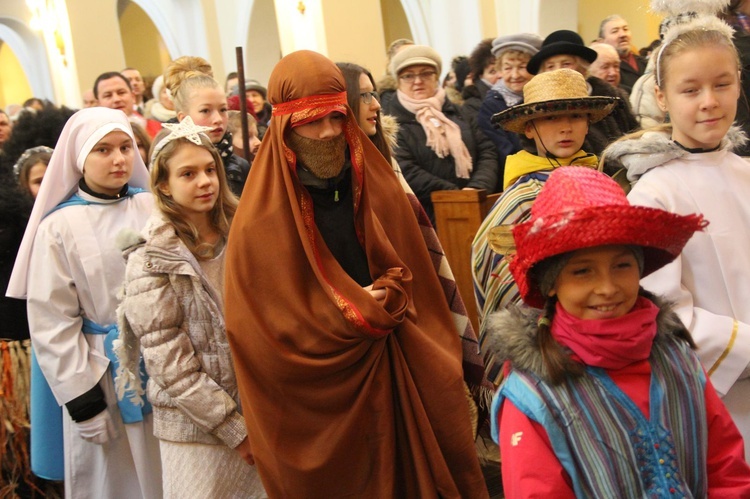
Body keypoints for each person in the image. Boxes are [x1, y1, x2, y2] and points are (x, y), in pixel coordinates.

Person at [224, 50, 488, 497]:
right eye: (311, 122)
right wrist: (346, 311)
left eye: (334, 117)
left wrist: (391, 291)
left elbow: (421, 281)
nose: (327, 133)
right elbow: (258, 331)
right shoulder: (258, 220)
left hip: (400, 361)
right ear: (284, 125)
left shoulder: (380, 186)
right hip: (324, 396)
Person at [484, 166, 750, 497]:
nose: (607, 288)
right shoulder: (535, 397)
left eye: (622, 265)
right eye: (582, 271)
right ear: (551, 285)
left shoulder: (677, 358)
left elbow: (725, 466)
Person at [602, 8, 750, 457]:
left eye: (722, 84)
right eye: (691, 89)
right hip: (722, 395)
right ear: (662, 98)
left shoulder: (746, 172)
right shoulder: (654, 193)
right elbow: (658, 309)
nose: (709, 101)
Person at [6, 107, 162, 499]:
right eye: (103, 150)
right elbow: (51, 321)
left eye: (126, 147)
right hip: (100, 369)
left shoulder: (152, 206)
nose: (119, 158)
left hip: (162, 360)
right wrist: (82, 398)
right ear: (79, 158)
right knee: (113, 479)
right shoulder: (58, 227)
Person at [115, 117, 265, 497]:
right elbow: (172, 367)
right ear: (163, 184)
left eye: (210, 169)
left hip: (262, 409)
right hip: (198, 430)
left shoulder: (246, 230)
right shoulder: (150, 259)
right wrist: (235, 430)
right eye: (188, 174)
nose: (205, 182)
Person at [337, 60, 494, 412]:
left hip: (416, 301)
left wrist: (473, 191)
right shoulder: (339, 178)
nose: (376, 104)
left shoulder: (383, 160)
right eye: (363, 96)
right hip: (378, 313)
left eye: (374, 93)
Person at [471, 68, 616, 384]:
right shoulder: (521, 198)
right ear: (530, 128)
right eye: (550, 118)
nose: (565, 127)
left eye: (576, 115)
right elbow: (496, 276)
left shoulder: (602, 180)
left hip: (608, 326)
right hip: (545, 348)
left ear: (588, 121)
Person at [381, 44, 499, 224]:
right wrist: (453, 195)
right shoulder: (391, 122)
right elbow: (405, 168)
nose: (418, 81)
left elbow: (487, 151)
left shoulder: (461, 113)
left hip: (478, 207)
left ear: (436, 76)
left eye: (426, 73)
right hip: (427, 218)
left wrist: (477, 188)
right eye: (408, 76)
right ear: (398, 81)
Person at [527, 29, 639, 157]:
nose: (558, 71)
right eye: (550, 66)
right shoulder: (531, 109)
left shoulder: (613, 98)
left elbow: (634, 136)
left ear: (583, 67)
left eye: (566, 64)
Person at [164, 55, 250, 198]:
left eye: (223, 110)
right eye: (205, 111)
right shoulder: (167, 161)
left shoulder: (240, 166)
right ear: (183, 118)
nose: (217, 119)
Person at [477, 33, 543, 182]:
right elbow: (504, 150)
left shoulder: (545, 97)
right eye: (507, 68)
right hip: (519, 178)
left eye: (522, 67)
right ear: (499, 70)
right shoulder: (492, 105)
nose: (515, 75)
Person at [94, 71, 162, 138]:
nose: (116, 99)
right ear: (98, 104)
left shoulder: (156, 128)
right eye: (108, 95)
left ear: (133, 97)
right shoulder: (94, 135)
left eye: (121, 92)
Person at [598, 14, 647, 93]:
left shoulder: (645, 62)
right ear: (602, 41)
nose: (623, 34)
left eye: (625, 29)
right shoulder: (604, 70)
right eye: (615, 31)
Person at [461, 39, 500, 129]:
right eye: (492, 71)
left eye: (501, 68)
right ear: (481, 76)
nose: (499, 75)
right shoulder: (473, 105)